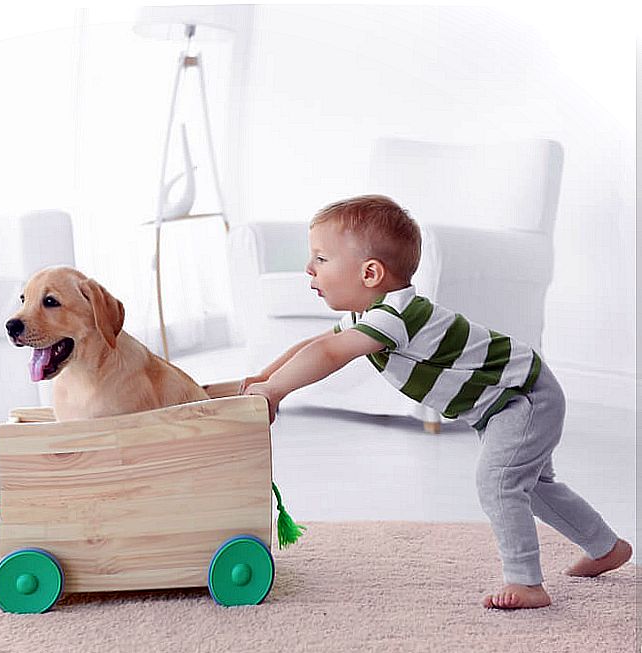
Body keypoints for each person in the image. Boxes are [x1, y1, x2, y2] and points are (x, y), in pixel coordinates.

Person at [241, 194, 632, 609]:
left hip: (523, 395)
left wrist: (276, 391)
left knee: (499, 482)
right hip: (507, 400)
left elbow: (331, 355)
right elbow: (320, 343)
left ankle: (526, 582)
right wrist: (268, 378)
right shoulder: (366, 315)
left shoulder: (396, 317)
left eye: (320, 258)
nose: (308, 268)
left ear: (370, 273)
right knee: (533, 488)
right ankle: (605, 546)